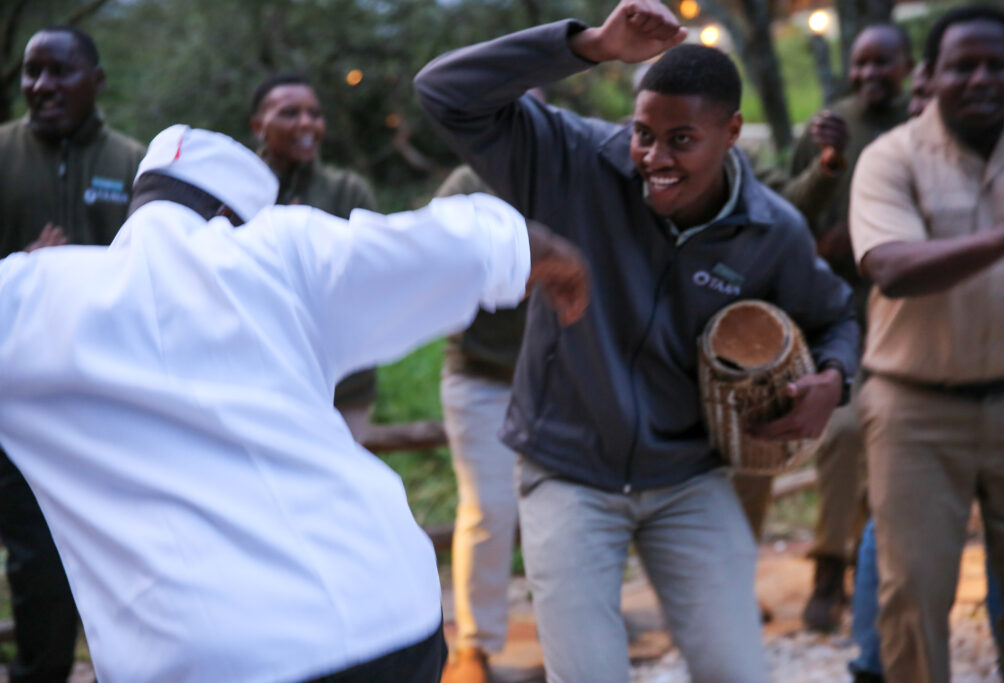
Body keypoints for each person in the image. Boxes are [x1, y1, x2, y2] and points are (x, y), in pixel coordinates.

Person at [0, 123, 588, 683]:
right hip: (384, 610)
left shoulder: (27, 297)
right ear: (230, 216)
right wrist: (543, 252)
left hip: (201, 654)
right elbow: (454, 242)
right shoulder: (277, 250)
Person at [415, 2, 859, 680]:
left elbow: (836, 317)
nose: (654, 157)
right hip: (566, 470)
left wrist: (833, 378)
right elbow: (443, 91)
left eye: (681, 139)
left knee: (739, 671)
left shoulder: (770, 229)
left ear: (731, 132)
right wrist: (587, 45)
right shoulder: (574, 160)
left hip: (689, 478)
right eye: (644, 134)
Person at [849, 6, 1004, 681]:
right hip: (914, 409)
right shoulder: (889, 157)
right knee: (913, 594)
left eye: (996, 65)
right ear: (930, 74)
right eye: (962, 66)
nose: (980, 79)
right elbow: (892, 268)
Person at [0, 25, 144, 682]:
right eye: (32, 72)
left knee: (128, 560)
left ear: (97, 80)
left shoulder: (133, 165)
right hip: (21, 410)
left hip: (112, 407)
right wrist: (20, 271)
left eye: (60, 71)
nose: (42, 85)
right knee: (37, 567)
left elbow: (156, 278)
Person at [786, 22, 915, 633]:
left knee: (894, 447)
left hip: (911, 321)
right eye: (860, 63)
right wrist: (823, 244)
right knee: (840, 435)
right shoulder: (828, 129)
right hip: (845, 324)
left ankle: (876, 566)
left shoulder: (925, 126)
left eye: (882, 62)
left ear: (907, 67)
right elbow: (787, 222)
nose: (869, 74)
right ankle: (828, 567)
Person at [434, 165, 527, 683]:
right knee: (489, 507)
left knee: (570, 502)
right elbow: (432, 259)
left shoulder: (564, 165)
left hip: (560, 375)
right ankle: (475, 645)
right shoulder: (468, 184)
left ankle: (575, 625)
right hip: (481, 375)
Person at [249, 72, 379, 442]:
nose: (306, 123)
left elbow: (372, 273)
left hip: (345, 386)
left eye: (315, 114)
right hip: (261, 380)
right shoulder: (236, 191)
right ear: (259, 126)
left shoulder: (347, 191)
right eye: (290, 113)